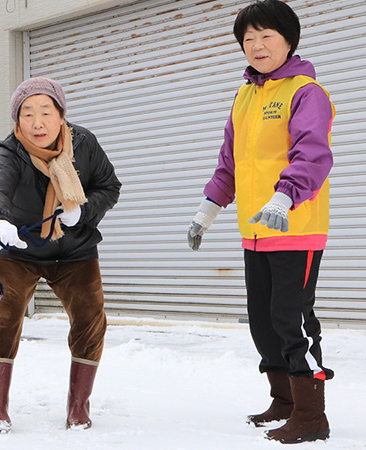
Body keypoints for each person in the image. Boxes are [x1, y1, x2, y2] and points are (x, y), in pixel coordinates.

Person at [187, 0, 335, 443]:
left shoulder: (306, 93)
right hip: (255, 233)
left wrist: (284, 197)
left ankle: (311, 415)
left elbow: (313, 155)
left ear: (289, 40)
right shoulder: (246, 95)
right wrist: (206, 211)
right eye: (248, 38)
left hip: (296, 226)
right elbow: (229, 163)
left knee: (291, 318)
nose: (257, 45)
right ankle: (284, 400)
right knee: (263, 321)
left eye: (266, 35)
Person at [0, 77, 121, 431]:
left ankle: (79, 408)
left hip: (75, 250)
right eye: (27, 113)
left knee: (91, 318)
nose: (37, 122)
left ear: (61, 115)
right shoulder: (9, 150)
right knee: (3, 316)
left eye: (46, 111)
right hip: (22, 250)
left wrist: (82, 212)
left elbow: (109, 185)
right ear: (17, 120)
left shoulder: (85, 143)